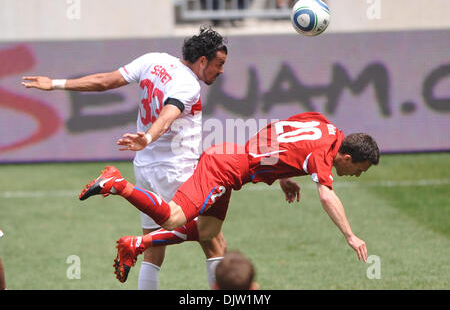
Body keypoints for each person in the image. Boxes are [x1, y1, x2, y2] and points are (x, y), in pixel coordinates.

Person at [21, 26, 229, 289]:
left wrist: (55, 84)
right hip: (178, 170)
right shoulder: (188, 84)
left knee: (154, 247)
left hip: (145, 168)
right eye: (218, 64)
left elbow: (104, 82)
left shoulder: (154, 60)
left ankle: (135, 242)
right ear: (202, 60)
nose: (221, 71)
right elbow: (168, 114)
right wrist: (150, 136)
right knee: (213, 240)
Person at [79, 112, 380, 283]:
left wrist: (282, 174)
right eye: (359, 169)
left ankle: (138, 243)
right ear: (347, 156)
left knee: (207, 232)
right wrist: (351, 236)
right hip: (224, 168)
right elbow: (327, 196)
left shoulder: (323, 125)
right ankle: (117, 184)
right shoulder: (323, 155)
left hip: (231, 160)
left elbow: (278, 131)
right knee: (172, 216)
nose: (357, 175)